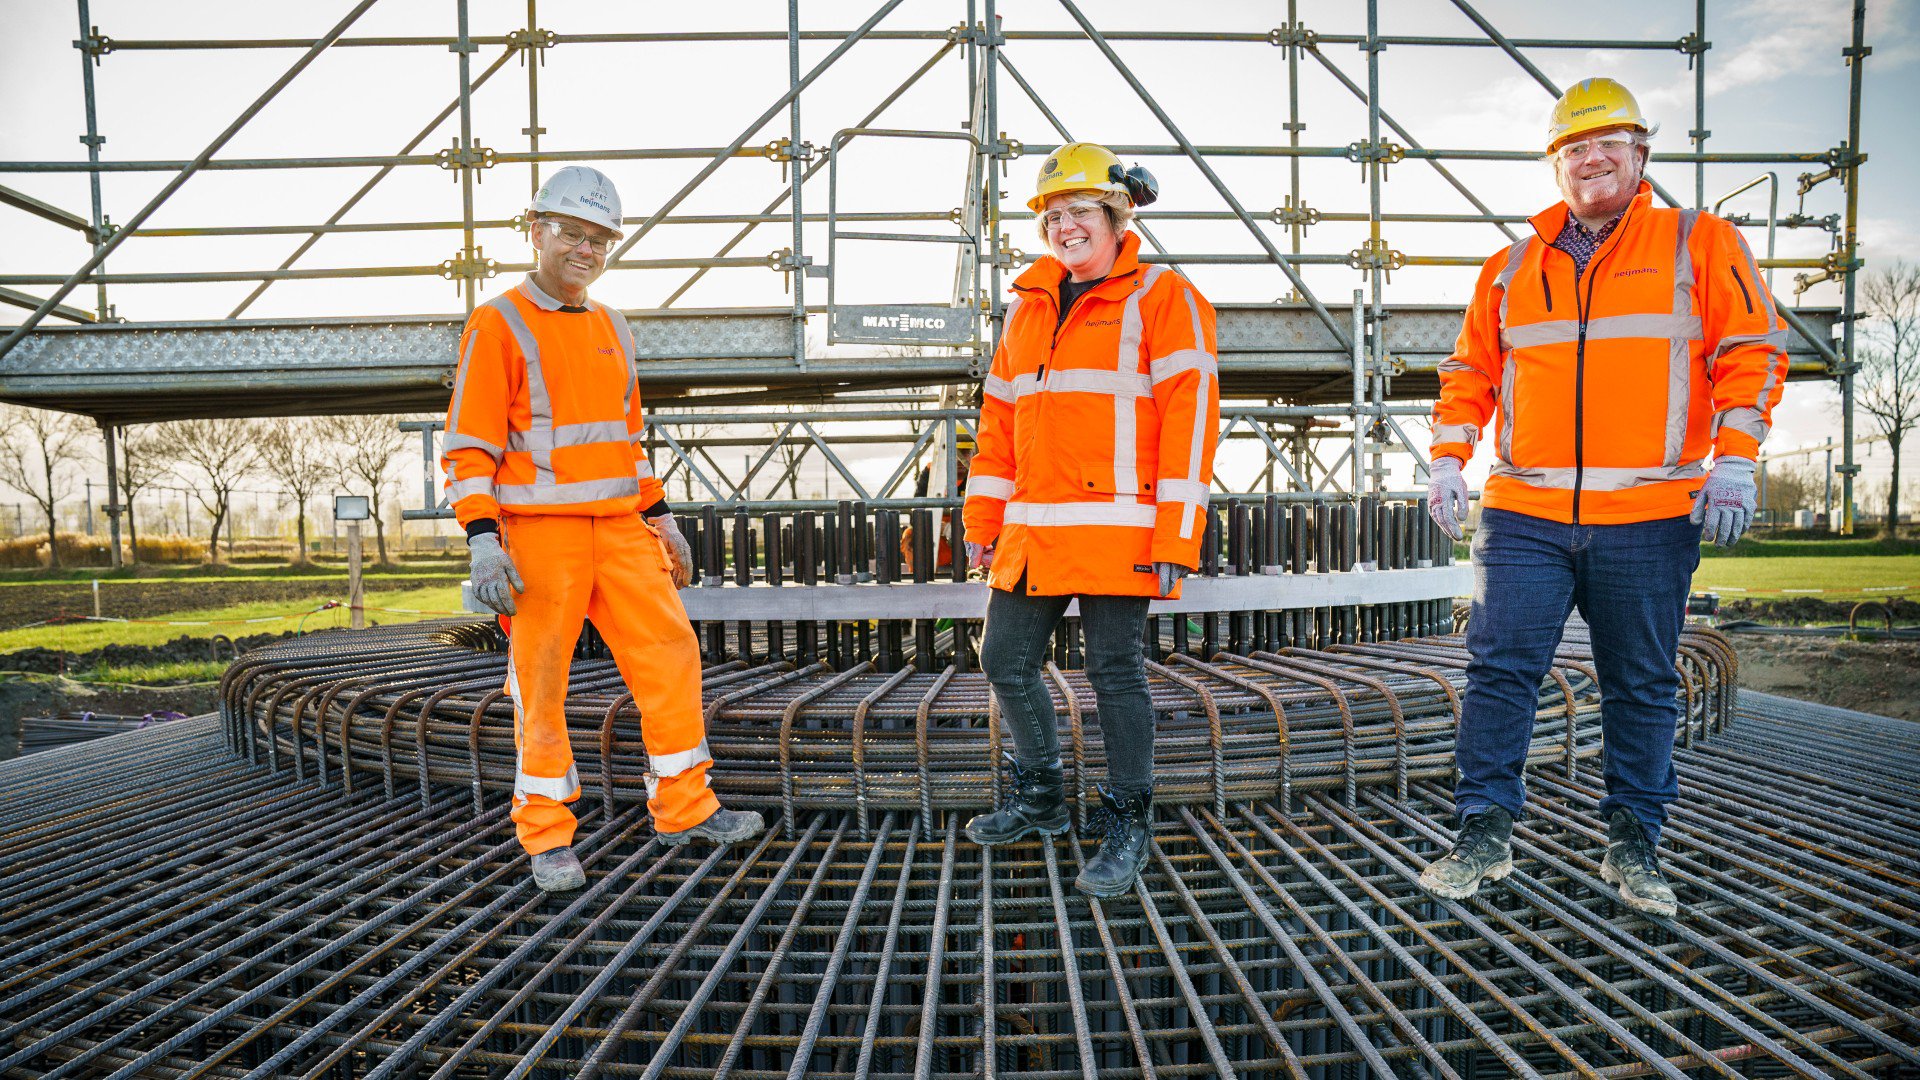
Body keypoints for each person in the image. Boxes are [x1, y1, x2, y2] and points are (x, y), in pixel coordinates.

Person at [1420, 79, 1784, 916]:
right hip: (1524, 512)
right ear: (1556, 166)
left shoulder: (1701, 242)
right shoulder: (1511, 267)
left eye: (1608, 143)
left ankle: (1635, 841)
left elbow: (1751, 352)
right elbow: (1470, 373)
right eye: (1574, 148)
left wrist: (1735, 458)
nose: (1591, 159)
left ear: (1640, 154)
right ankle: (1484, 833)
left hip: (1650, 513)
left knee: (1642, 681)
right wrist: (1447, 459)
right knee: (1500, 671)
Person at [441, 165, 764, 893]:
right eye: (572, 234)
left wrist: (663, 517)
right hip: (540, 534)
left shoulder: (614, 325)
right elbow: (468, 445)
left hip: (620, 529)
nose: (586, 249)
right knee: (541, 682)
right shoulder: (498, 322)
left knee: (671, 654)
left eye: (600, 239)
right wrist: (483, 538)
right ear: (537, 233)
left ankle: (685, 806)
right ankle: (546, 834)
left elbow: (626, 441)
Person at [961, 142, 1220, 898]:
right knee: (1003, 659)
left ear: (1116, 214)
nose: (1064, 226)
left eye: (1079, 212)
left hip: (1121, 529)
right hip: (1037, 529)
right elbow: (999, 423)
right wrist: (984, 519)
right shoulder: (1029, 306)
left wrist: (1177, 534)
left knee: (1114, 673)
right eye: (1052, 215)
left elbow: (1192, 417)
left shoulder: (1164, 295)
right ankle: (1041, 800)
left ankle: (1127, 822)